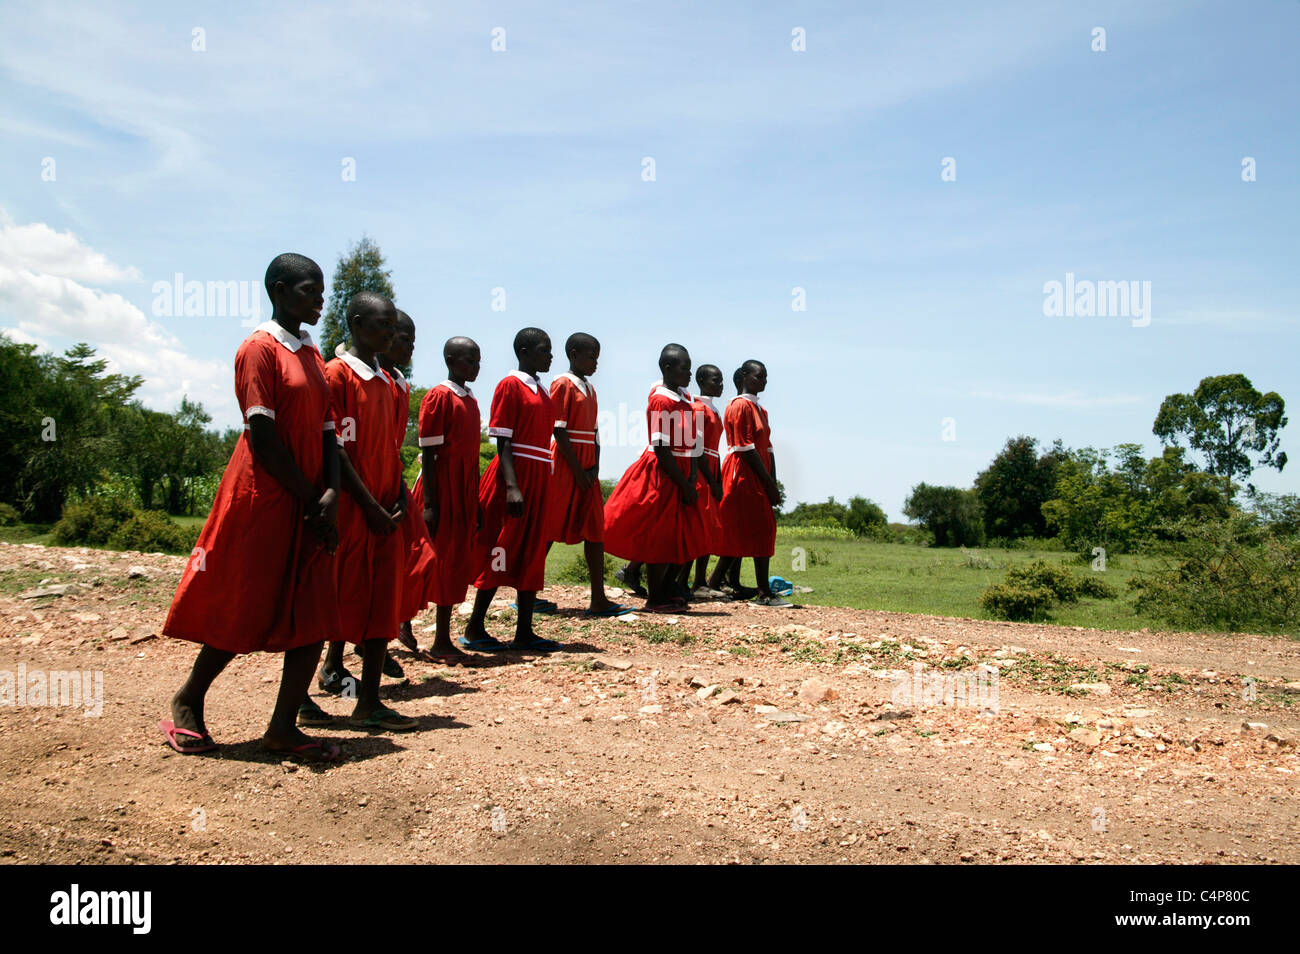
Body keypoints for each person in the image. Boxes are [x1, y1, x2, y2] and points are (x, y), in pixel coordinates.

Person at [160, 253, 343, 762]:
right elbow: (262, 435)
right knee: (247, 602)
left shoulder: (311, 352)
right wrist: (311, 496)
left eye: (322, 290)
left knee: (313, 606)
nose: (320, 300)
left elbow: (329, 431)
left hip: (311, 497)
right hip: (265, 494)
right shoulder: (258, 350)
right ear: (280, 291)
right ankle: (188, 699)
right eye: (311, 290)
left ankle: (283, 726)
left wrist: (331, 492)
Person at [301, 291, 418, 731]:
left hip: (385, 509)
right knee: (332, 599)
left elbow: (388, 449)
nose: (389, 333)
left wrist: (399, 496)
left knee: (380, 600)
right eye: (382, 325)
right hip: (353, 508)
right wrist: (368, 505)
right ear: (354, 324)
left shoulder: (388, 381)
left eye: (393, 326)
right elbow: (337, 449)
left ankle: (368, 701)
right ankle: (301, 699)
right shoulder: (336, 375)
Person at [459, 328, 561, 652]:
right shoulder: (510, 385)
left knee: (531, 549)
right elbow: (502, 439)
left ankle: (524, 632)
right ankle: (475, 627)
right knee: (502, 548)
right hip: (514, 474)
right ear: (525, 351)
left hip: (539, 475)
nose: (550, 356)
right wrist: (513, 487)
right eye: (544, 350)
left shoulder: (543, 391)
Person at [603, 344, 707, 611]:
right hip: (664, 472)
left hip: (684, 471)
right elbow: (661, 447)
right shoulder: (660, 399)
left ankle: (668, 588)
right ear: (668, 368)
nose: (690, 372)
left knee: (682, 534)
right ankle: (656, 596)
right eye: (685, 367)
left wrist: (693, 475)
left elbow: (694, 441)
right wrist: (682, 483)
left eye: (690, 366)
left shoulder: (687, 399)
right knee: (660, 535)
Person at [541, 333, 628, 617]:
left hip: (587, 462)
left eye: (597, 358)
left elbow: (593, 431)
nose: (595, 363)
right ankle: (526, 591)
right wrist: (577, 470)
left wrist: (595, 467)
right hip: (566, 461)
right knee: (550, 526)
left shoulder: (589, 388)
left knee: (594, 527)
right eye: (591, 357)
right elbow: (558, 429)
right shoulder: (562, 384)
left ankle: (598, 597)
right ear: (574, 354)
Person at [410, 336, 483, 662]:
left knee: (454, 562)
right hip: (440, 488)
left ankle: (442, 637)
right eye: (470, 360)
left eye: (478, 361)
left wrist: (476, 498)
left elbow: (471, 456)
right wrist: (430, 503)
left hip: (464, 490)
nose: (476, 367)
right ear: (452, 360)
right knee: (427, 559)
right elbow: (428, 453)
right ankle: (402, 621)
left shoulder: (470, 399)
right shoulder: (439, 398)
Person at [709, 359, 790, 607]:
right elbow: (745, 448)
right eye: (758, 376)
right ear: (744, 377)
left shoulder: (760, 410)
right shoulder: (739, 406)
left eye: (765, 377)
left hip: (758, 473)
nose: (762, 381)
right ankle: (764, 593)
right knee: (760, 527)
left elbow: (769, 449)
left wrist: (772, 481)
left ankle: (716, 582)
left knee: (745, 528)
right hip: (742, 473)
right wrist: (768, 483)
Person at [380, 309, 436, 657]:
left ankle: (394, 625)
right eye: (404, 339)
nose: (410, 347)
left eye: (414, 341)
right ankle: (336, 659)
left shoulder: (399, 382)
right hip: (362, 483)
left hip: (391, 481)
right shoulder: (349, 374)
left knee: (419, 556)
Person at [684, 363, 728, 598]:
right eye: (715, 381)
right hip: (701, 470)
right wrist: (711, 480)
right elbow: (697, 448)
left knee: (708, 527)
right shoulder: (699, 409)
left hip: (712, 467)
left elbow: (714, 450)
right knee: (697, 525)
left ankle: (699, 581)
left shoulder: (713, 410)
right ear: (701, 381)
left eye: (721, 381)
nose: (720, 385)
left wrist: (718, 478)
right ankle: (690, 582)